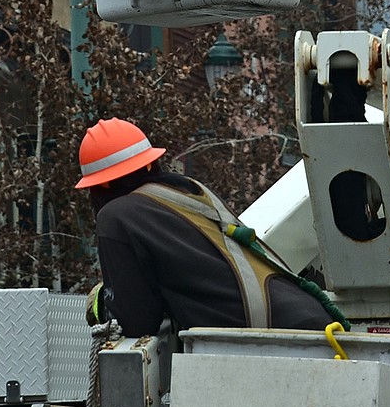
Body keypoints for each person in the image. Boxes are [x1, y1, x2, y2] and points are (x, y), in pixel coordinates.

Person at [76, 117, 337, 337]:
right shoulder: (187, 191)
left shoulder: (116, 216)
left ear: (101, 186)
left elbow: (137, 321)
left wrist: (104, 302)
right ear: (150, 162)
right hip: (310, 324)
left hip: (278, 341)